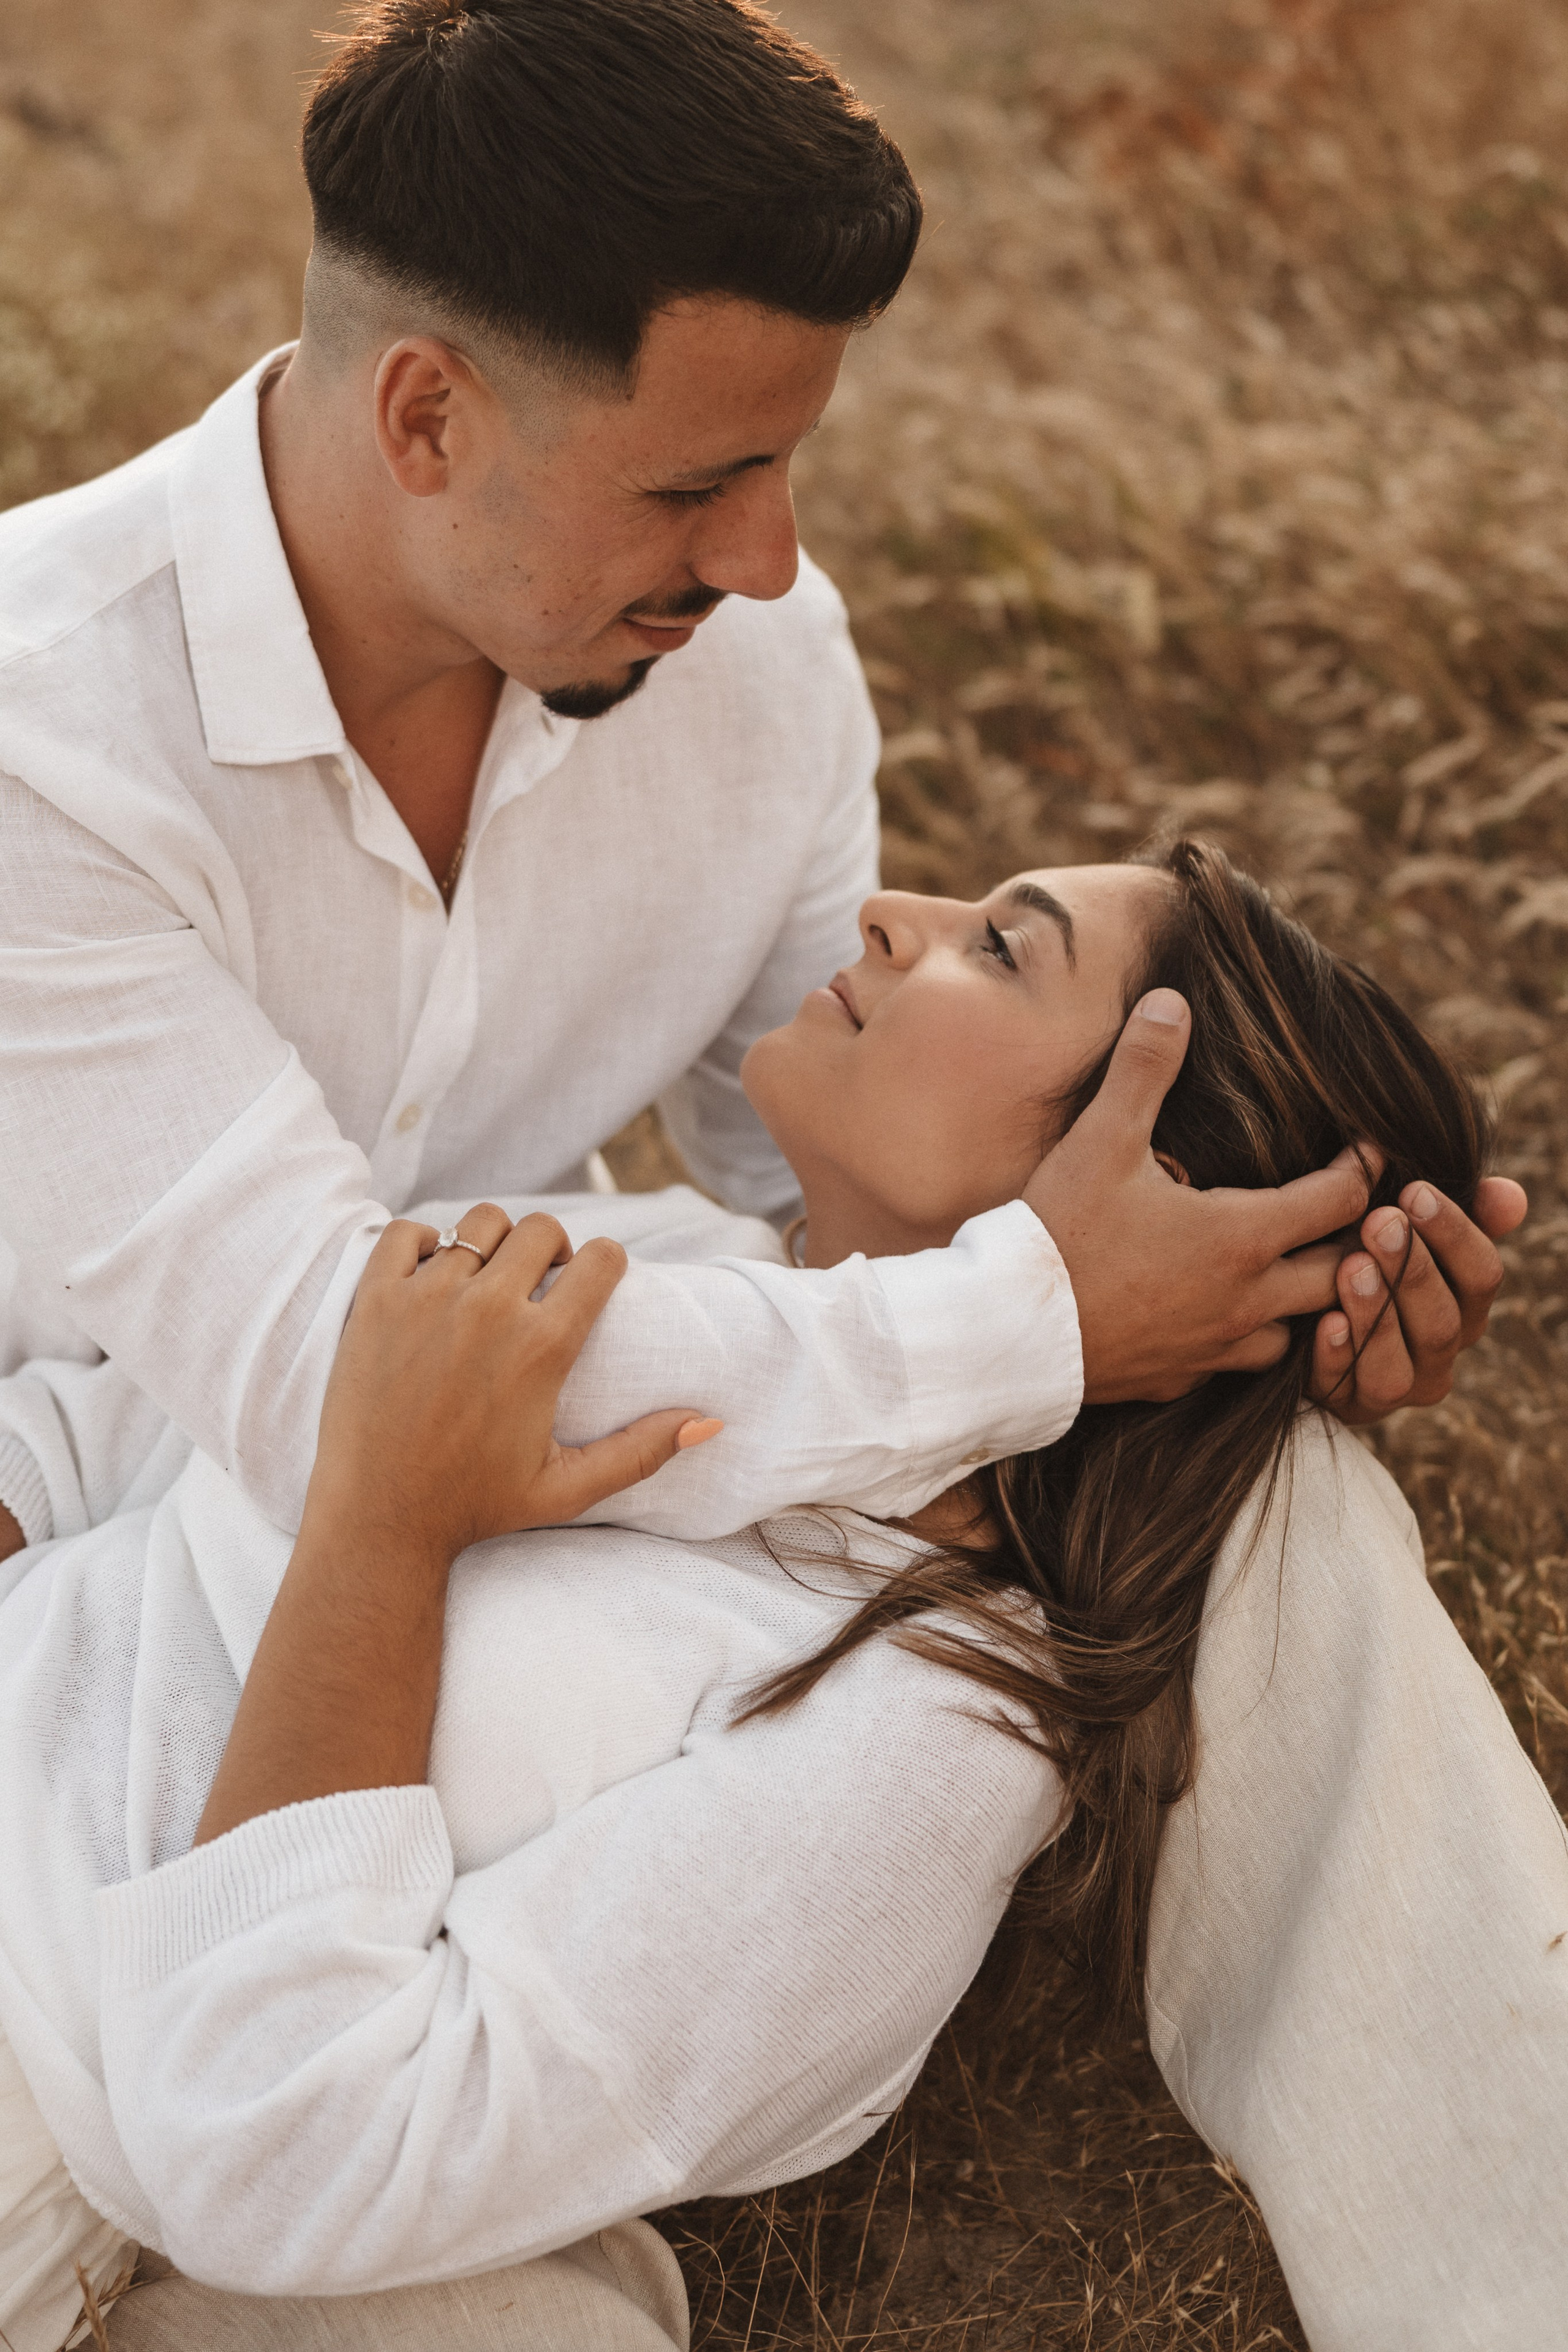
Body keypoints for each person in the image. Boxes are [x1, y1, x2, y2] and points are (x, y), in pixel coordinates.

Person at [0, 0, 1516, 1592]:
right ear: (425, 417)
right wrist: (1044, 1324)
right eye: (690, 486)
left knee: (1302, 1561)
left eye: (784, 461)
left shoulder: (761, 667)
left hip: (483, 1552)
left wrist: (1263, 1321)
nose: (766, 562)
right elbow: (335, 1383)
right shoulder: (44, 737)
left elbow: (839, 1196)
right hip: (70, 1556)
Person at [0, 845, 1558, 2352]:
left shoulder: (926, 1725)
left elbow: (283, 2150)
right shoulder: (669, 1258)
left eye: (1002, 949)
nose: (891, 913)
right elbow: (121, 1429)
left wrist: (381, 1545)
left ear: (1152, 1197)